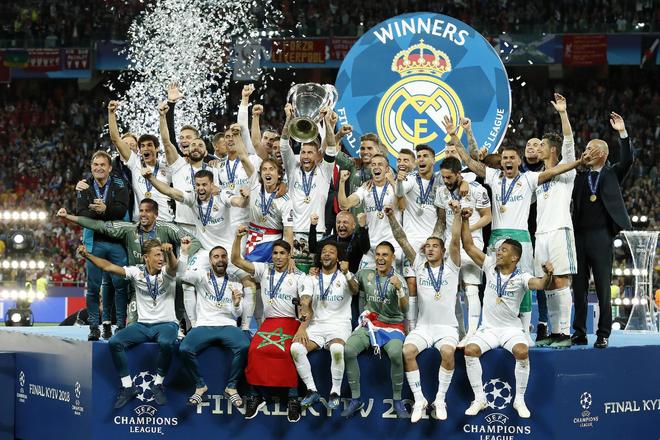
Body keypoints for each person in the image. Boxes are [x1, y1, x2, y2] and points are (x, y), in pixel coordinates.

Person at [447, 115, 586, 342]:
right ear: (501, 162)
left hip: (522, 238)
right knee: (494, 283)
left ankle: (525, 332)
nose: (508, 161)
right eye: (505, 158)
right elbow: (470, 163)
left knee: (525, 284)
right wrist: (455, 136)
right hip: (497, 238)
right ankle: (491, 326)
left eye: (512, 157)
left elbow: (554, 172)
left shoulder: (529, 178)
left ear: (519, 160)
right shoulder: (493, 176)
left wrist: (578, 163)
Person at [459, 208, 554, 419]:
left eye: (503, 250)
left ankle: (519, 399)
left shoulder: (522, 277)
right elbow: (468, 246)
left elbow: (540, 284)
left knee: (522, 351)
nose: (498, 253)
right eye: (498, 250)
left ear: (514, 258)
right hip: (489, 329)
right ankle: (479, 399)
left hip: (511, 330)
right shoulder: (489, 266)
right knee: (470, 350)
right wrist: (465, 221)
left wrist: (548, 275)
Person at [77, 239, 180, 409]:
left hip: (167, 324)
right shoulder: (136, 272)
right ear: (146, 257)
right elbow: (108, 266)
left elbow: (174, 266)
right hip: (143, 325)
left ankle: (158, 384)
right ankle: (127, 386)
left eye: (162, 254)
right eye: (157, 255)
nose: (161, 258)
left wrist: (169, 253)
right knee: (114, 342)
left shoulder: (167, 271)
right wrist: (87, 255)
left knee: (166, 342)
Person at [386, 200, 462, 422]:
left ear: (443, 251)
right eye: (427, 246)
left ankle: (440, 399)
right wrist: (391, 216)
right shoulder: (419, 265)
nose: (429, 248)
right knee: (407, 351)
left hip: (447, 328)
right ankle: (419, 400)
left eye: (435, 246)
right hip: (424, 327)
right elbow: (402, 240)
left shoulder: (452, 266)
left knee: (447, 353)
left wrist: (457, 214)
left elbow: (455, 239)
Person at [231, 227, 307, 422]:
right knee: (254, 350)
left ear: (289, 255)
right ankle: (255, 396)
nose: (278, 257)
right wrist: (238, 238)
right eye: (275, 253)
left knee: (287, 352)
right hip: (269, 323)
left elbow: (306, 304)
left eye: (282, 253)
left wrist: (302, 324)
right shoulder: (264, 270)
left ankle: (293, 398)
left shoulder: (298, 276)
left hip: (290, 322)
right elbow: (236, 260)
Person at [571, 112, 632, 349]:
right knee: (578, 287)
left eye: (589, 149)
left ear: (602, 154)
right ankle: (579, 331)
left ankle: (603, 333)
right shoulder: (579, 177)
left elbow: (627, 160)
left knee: (603, 287)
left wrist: (622, 132)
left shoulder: (612, 173)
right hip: (578, 236)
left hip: (601, 236)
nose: (585, 152)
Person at [341, 241, 409, 419]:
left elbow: (405, 309)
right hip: (370, 324)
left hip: (392, 326)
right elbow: (354, 289)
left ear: (393, 258)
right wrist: (347, 273)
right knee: (348, 350)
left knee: (396, 354)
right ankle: (356, 399)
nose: (380, 258)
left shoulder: (399, 280)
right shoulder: (366, 274)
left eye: (385, 255)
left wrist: (400, 290)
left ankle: (397, 400)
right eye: (378, 254)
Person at [178, 244, 250, 408]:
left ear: (227, 260)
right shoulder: (201, 276)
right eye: (216, 257)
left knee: (244, 346)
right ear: (210, 261)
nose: (220, 260)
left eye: (223, 256)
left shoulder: (235, 282)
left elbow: (237, 313)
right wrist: (184, 252)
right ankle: (200, 386)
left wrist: (237, 303)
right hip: (204, 325)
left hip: (227, 325)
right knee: (184, 349)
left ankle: (231, 387)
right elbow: (181, 273)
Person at [533, 94, 578, 348]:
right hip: (541, 234)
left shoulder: (566, 169)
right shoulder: (538, 177)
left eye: (541, 145)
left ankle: (564, 333)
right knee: (548, 283)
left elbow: (569, 141)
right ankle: (554, 331)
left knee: (561, 280)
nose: (537, 148)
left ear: (552, 149)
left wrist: (562, 113)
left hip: (560, 230)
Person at [290, 242, 355, 410]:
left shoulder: (345, 276)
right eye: (324, 252)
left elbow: (355, 290)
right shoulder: (311, 277)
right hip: (316, 325)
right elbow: (305, 300)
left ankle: (335, 392)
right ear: (319, 257)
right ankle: (312, 390)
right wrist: (302, 325)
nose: (326, 254)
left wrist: (347, 272)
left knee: (337, 349)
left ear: (338, 257)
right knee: (296, 349)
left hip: (339, 325)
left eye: (331, 252)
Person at [434, 156, 491, 346]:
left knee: (471, 287)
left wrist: (467, 229)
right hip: (451, 245)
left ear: (459, 174)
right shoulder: (441, 192)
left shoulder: (477, 189)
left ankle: (473, 332)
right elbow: (441, 220)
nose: (446, 181)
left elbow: (487, 216)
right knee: (451, 289)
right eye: (443, 177)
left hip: (472, 243)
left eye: (449, 177)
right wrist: (435, 240)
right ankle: (460, 332)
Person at [76, 151, 130, 340]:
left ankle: (121, 326)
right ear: (91, 166)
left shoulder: (120, 184)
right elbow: (81, 213)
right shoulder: (84, 186)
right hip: (94, 243)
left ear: (109, 168)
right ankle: (94, 328)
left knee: (120, 286)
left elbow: (121, 210)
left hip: (117, 243)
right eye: (95, 164)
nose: (98, 168)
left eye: (102, 165)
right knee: (93, 288)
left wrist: (104, 209)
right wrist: (107, 212)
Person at [280, 105, 337, 257]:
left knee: (314, 269)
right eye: (303, 152)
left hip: (317, 232)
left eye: (310, 153)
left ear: (317, 155)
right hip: (293, 231)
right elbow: (284, 145)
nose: (305, 156)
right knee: (292, 270)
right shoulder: (292, 169)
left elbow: (331, 147)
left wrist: (327, 122)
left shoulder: (324, 171)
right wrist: (288, 119)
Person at [108, 100, 176, 222]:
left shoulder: (167, 168)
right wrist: (111, 113)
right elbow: (116, 139)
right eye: (142, 146)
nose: (146, 148)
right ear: (139, 150)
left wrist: (162, 116)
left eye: (149, 145)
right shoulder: (135, 163)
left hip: (164, 221)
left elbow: (167, 141)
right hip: (140, 222)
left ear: (157, 148)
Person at [338, 154, 403, 270]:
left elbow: (402, 205)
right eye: (373, 164)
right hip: (371, 247)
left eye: (380, 164)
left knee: (390, 280)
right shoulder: (365, 188)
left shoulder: (395, 187)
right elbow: (344, 205)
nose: (376, 167)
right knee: (364, 278)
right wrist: (342, 182)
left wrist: (393, 182)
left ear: (387, 169)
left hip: (392, 246)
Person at [395, 146, 440, 299]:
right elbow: (399, 192)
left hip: (433, 240)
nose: (421, 159)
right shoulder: (411, 178)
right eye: (419, 156)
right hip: (412, 241)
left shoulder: (440, 180)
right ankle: (413, 316)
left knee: (433, 283)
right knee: (412, 283)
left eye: (425, 156)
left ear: (433, 160)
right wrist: (399, 182)